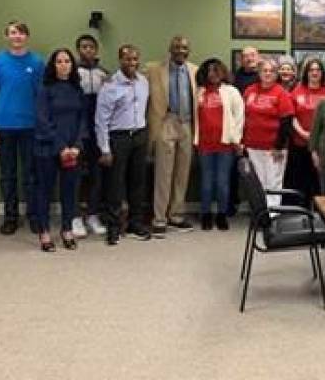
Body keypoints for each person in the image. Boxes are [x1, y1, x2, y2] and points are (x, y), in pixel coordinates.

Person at [0, 20, 45, 236]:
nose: (17, 36)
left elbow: (42, 97)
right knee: (8, 175)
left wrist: (43, 125)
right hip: (4, 127)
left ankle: (34, 216)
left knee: (31, 175)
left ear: (26, 36)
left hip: (30, 126)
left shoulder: (37, 62)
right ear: (7, 36)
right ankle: (10, 217)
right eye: (12, 33)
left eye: (20, 33)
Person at [96, 45, 150, 245]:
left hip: (139, 136)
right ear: (120, 60)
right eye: (128, 59)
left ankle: (136, 222)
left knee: (138, 182)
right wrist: (105, 149)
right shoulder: (110, 85)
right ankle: (113, 226)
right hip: (118, 137)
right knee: (115, 184)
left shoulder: (143, 82)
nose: (132, 63)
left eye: (135, 59)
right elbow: (100, 120)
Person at [34, 49, 86, 252]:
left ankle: (66, 230)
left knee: (69, 193)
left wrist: (77, 146)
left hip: (72, 150)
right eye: (59, 61)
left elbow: (83, 120)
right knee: (44, 191)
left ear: (72, 65)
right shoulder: (45, 88)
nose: (63, 64)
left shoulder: (77, 89)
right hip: (48, 148)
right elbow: (42, 120)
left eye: (67, 61)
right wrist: (61, 147)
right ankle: (45, 232)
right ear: (53, 65)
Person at [145, 36, 198, 236]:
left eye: (184, 47)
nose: (180, 50)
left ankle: (176, 215)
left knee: (182, 173)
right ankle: (159, 218)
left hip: (187, 124)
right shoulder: (153, 69)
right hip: (166, 121)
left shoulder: (195, 70)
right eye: (176, 47)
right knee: (163, 173)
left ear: (189, 50)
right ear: (170, 48)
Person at [194, 58, 244, 231]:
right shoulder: (199, 92)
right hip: (204, 144)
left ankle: (222, 215)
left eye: (216, 70)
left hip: (225, 144)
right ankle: (206, 214)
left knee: (222, 182)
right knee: (206, 182)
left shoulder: (231, 92)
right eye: (209, 71)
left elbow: (239, 118)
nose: (212, 74)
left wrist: (237, 141)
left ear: (222, 72)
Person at [242, 58, 294, 207]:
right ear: (259, 73)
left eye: (271, 71)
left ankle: (273, 217)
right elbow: (243, 117)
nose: (268, 73)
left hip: (274, 148)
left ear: (276, 74)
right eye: (264, 70)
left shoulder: (281, 93)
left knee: (273, 184)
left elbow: (287, 122)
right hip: (252, 145)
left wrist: (278, 146)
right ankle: (261, 215)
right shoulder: (249, 91)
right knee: (257, 183)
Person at [71, 34, 109, 238]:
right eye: (84, 47)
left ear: (96, 50)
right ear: (78, 50)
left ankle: (93, 215)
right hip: (78, 129)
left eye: (91, 47)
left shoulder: (104, 73)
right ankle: (75, 217)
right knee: (75, 174)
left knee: (97, 174)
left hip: (98, 130)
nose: (88, 50)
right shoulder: (72, 73)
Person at [283, 58, 325, 206]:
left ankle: (320, 215)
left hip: (322, 145)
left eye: (318, 70)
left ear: (322, 73)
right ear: (306, 73)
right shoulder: (297, 91)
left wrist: (318, 136)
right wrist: (303, 133)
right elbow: (292, 116)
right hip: (300, 144)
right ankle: (300, 214)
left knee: (319, 183)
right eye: (311, 70)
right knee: (300, 182)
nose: (315, 73)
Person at [229, 46, 260, 216]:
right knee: (234, 169)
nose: (249, 58)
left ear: (258, 56)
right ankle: (232, 204)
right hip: (238, 130)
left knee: (258, 170)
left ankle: (257, 206)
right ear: (241, 59)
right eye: (245, 56)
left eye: (252, 55)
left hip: (257, 131)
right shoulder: (234, 78)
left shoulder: (264, 76)